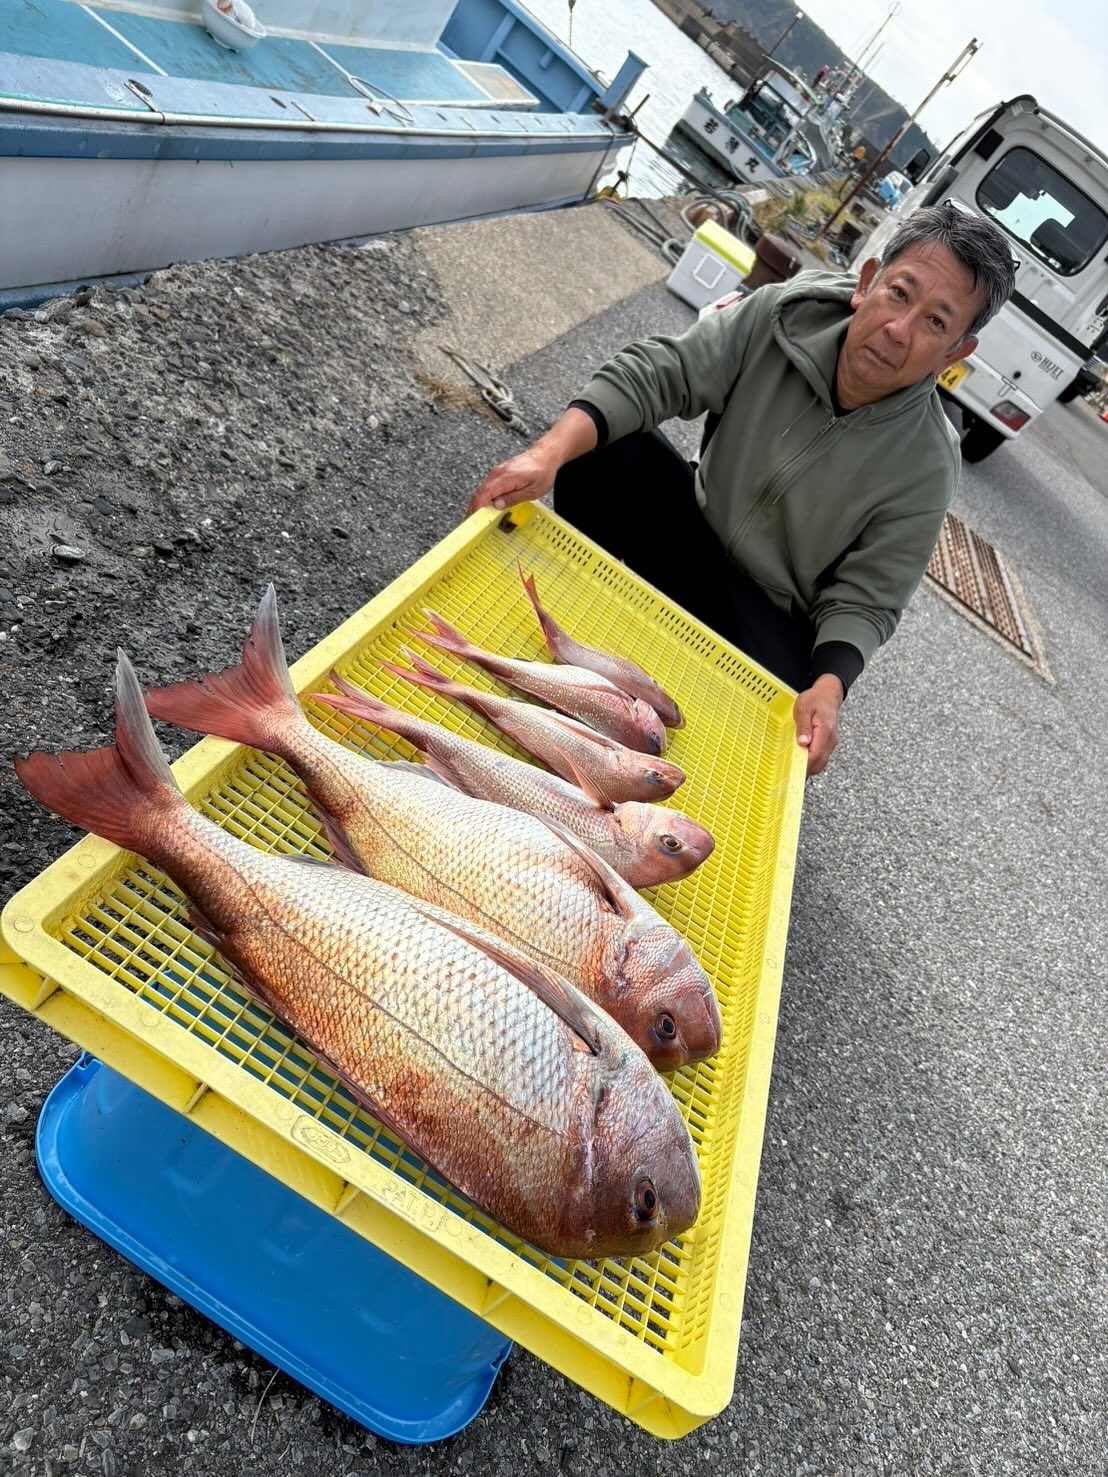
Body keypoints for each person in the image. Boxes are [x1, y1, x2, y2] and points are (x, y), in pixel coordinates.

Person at [466, 203, 1016, 775]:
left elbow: (868, 597)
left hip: (764, 613)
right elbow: (663, 374)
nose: (899, 330)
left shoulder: (929, 462)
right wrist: (545, 453)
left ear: (955, 354)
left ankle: (650, 684)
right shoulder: (785, 313)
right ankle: (595, 619)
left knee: (783, 723)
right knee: (606, 450)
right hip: (694, 531)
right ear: (866, 282)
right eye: (899, 293)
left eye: (936, 322)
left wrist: (829, 689)